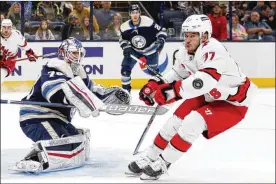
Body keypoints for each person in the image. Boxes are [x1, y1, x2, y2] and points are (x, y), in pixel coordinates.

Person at [126, 14, 258, 180]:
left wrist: (169, 93)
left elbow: (203, 82)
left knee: (192, 122)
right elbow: (177, 73)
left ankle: (164, 162)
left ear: (205, 35)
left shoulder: (214, 50)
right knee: (174, 121)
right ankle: (150, 156)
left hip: (233, 103)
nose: (187, 40)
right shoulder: (185, 51)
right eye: (186, 35)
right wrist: (156, 84)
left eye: (193, 35)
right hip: (209, 95)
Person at [10, 37, 131, 174]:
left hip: (57, 118)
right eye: (74, 53)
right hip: (37, 118)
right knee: (65, 146)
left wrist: (108, 96)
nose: (77, 57)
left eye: (79, 53)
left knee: (77, 141)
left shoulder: (78, 71)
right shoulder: (54, 65)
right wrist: (77, 99)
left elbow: (91, 91)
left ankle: (42, 150)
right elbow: (54, 93)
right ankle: (33, 160)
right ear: (63, 52)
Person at [119, 4, 167, 92]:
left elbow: (162, 31)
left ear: (140, 13)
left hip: (151, 50)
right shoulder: (124, 27)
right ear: (129, 14)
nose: (135, 15)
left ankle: (158, 91)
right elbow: (122, 39)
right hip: (134, 51)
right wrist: (126, 47)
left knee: (154, 74)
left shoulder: (147, 22)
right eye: (132, 12)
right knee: (125, 70)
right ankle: (126, 93)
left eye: (137, 12)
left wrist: (161, 40)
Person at [0, 19, 38, 85]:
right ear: (1, 27)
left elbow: (26, 47)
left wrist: (30, 54)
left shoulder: (16, 35)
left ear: (11, 27)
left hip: (8, 63)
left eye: (9, 27)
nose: (6, 30)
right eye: (4, 27)